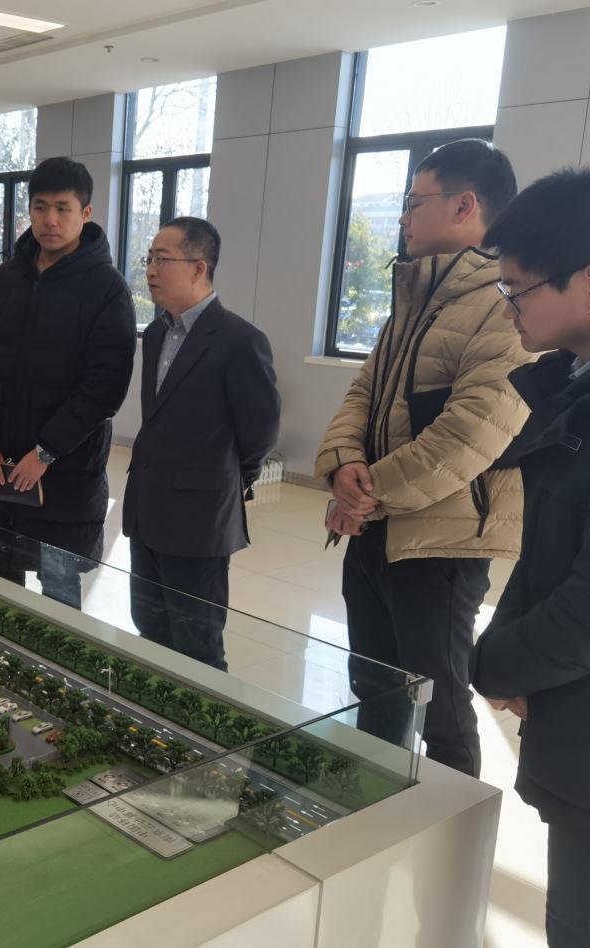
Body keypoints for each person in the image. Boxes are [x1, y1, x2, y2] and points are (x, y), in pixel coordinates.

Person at [315, 139, 529, 778]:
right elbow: (363, 393)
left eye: (414, 202)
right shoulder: (417, 294)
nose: (404, 218)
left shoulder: (503, 304)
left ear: (465, 205)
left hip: (442, 543)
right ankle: (376, 803)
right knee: (375, 686)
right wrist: (343, 465)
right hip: (377, 527)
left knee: (441, 708)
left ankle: (451, 825)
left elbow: (469, 436)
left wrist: (364, 493)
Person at [469, 168, 590, 948]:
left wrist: (494, 664)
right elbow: (551, 552)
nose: (507, 306)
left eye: (518, 289)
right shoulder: (569, 387)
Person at [0, 156, 136, 609]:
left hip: (65, 474)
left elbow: (104, 386)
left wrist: (46, 451)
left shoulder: (107, 288)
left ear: (85, 213)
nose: (50, 220)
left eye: (62, 208)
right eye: (40, 207)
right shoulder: (1, 281)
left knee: (59, 597)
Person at [123, 218, 280, 670]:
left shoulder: (240, 340)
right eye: (149, 258)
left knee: (197, 643)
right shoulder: (156, 333)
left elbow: (260, 430)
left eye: (162, 259)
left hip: (199, 519)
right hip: (147, 509)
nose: (150, 270)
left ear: (198, 267)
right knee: (150, 628)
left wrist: (231, 480)